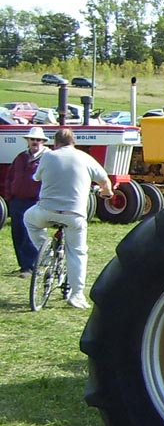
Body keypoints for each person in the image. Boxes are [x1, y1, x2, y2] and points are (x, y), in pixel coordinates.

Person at [24, 128, 114, 310]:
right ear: (74, 142)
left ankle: (46, 251)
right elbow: (104, 181)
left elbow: (37, 177)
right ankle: (77, 294)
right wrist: (107, 192)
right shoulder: (85, 158)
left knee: (28, 219)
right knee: (78, 252)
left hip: (46, 211)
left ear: (55, 143)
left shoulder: (48, 156)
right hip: (74, 215)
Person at [4, 127, 49, 277]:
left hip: (35, 202)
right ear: (28, 141)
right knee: (18, 233)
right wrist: (9, 196)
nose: (35, 142)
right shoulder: (21, 158)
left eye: (38, 140)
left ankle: (32, 266)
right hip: (17, 201)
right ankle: (23, 265)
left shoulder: (47, 158)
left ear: (43, 142)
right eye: (32, 139)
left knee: (31, 233)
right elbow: (10, 177)